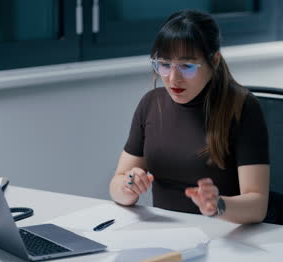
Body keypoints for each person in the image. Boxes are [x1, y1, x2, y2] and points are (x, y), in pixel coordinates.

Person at [109, 10, 270, 224]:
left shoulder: (242, 108)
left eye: (187, 66)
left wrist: (218, 205)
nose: (173, 78)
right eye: (165, 65)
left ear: (213, 60)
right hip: (165, 236)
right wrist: (128, 187)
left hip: (223, 235)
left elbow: (257, 206)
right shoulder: (151, 103)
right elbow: (117, 182)